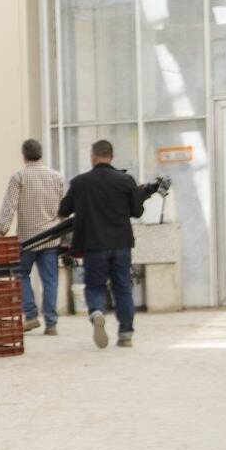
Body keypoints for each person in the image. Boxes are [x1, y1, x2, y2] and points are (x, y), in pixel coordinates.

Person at [59, 139, 146, 349]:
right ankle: (125, 333)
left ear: (93, 156)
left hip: (94, 244)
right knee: (122, 288)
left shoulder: (80, 182)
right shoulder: (126, 180)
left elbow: (63, 211)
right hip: (121, 244)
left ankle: (97, 311)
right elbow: (137, 211)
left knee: (95, 286)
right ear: (112, 157)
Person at [0, 137, 65, 335]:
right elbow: (63, 209)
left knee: (20, 274)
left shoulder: (19, 177)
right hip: (51, 238)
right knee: (50, 280)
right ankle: (51, 323)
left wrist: (2, 229)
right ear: (40, 154)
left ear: (24, 156)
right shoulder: (57, 177)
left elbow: (9, 205)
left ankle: (31, 315)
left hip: (27, 239)